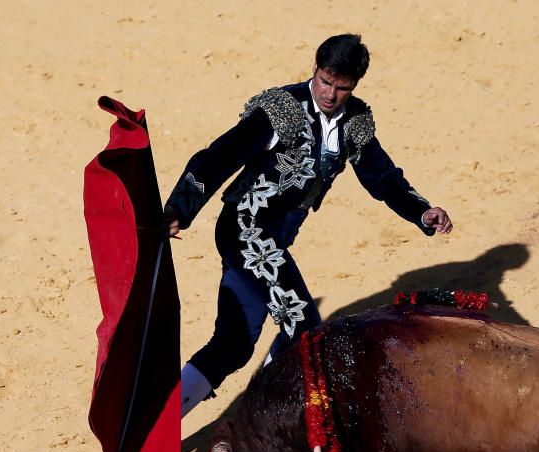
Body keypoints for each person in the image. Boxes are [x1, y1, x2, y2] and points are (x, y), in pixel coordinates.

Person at [162, 33, 453, 417]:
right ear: (314, 69)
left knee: (233, 344)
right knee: (304, 329)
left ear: (354, 86)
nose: (330, 94)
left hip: (274, 241)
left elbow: (381, 176)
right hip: (245, 230)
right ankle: (258, 425)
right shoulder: (282, 109)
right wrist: (178, 208)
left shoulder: (355, 123)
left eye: (342, 87)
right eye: (325, 81)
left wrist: (420, 210)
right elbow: (219, 157)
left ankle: (158, 423)